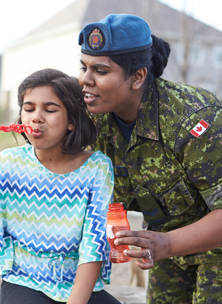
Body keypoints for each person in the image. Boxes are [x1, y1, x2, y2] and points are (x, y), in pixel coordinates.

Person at [78, 13, 222, 303]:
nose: (85, 80)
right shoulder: (96, 123)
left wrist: (166, 244)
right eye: (83, 67)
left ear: (138, 77)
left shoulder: (194, 120)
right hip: (168, 244)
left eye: (101, 71)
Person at [0, 69, 121, 304]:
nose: (36, 117)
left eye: (50, 109)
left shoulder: (97, 167)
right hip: (24, 281)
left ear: (72, 121)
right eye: (29, 108)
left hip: (80, 284)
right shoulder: (8, 163)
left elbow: (93, 246)